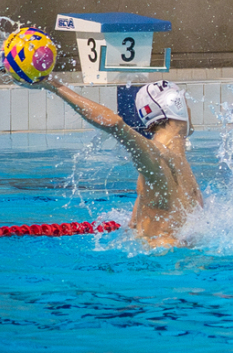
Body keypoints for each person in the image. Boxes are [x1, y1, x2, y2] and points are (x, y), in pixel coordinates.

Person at [44, 78, 204, 247]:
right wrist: (54, 85)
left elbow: (134, 227)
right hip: (162, 266)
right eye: (184, 101)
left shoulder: (174, 160)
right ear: (175, 104)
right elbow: (114, 124)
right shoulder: (157, 156)